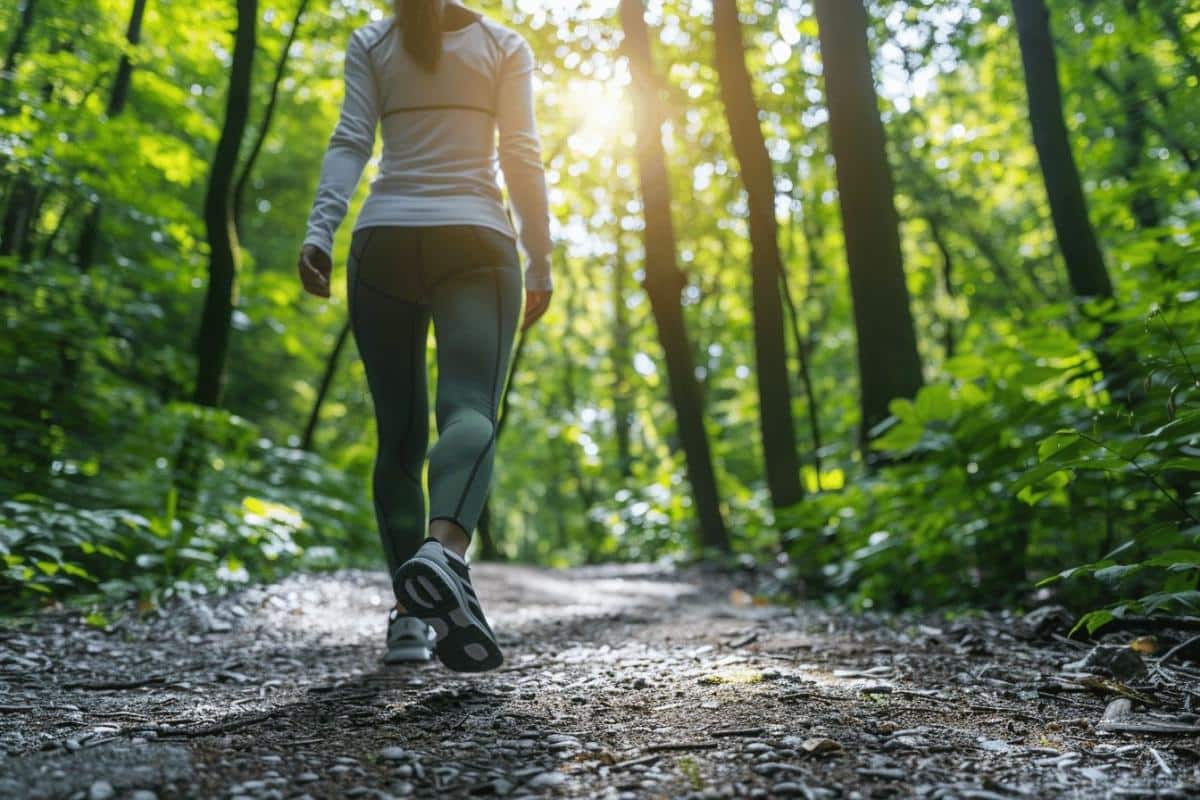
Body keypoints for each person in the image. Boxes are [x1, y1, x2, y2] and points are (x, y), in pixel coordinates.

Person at [297, 0, 553, 672]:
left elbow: (351, 139)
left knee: (400, 436)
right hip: (475, 238)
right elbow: (521, 152)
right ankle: (443, 554)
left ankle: (409, 618)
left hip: (382, 240)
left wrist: (319, 231)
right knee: (469, 408)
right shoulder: (503, 46)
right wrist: (542, 258)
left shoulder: (372, 41)